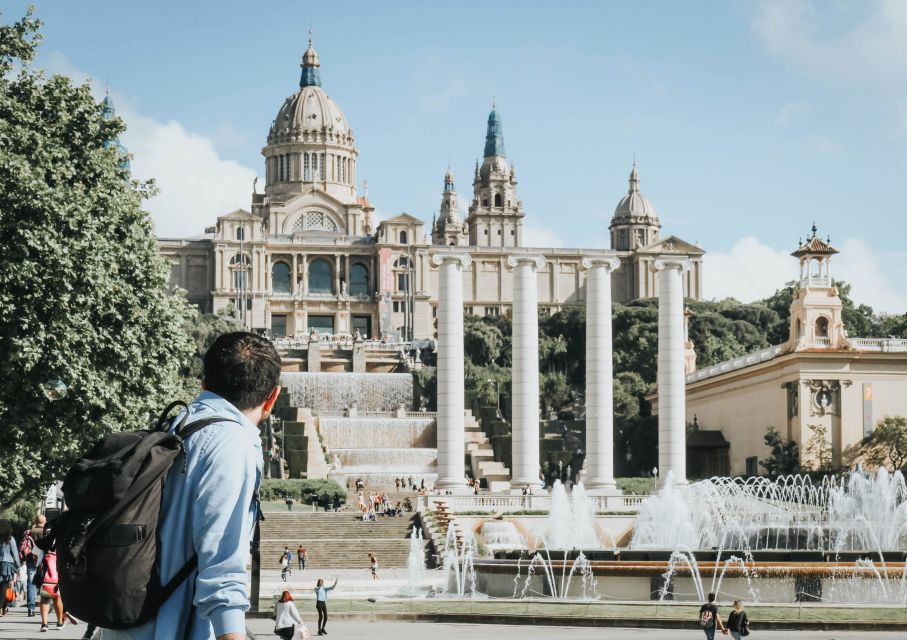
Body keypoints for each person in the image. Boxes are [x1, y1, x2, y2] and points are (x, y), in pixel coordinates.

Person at [99, 331, 281, 640]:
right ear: (272, 398)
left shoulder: (176, 425)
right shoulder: (233, 443)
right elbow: (223, 567)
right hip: (173, 630)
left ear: (204, 383)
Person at [37, 547, 65, 631]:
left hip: (46, 575)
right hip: (58, 573)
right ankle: (59, 623)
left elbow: (35, 555)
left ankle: (44, 624)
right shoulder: (62, 540)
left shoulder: (44, 541)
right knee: (57, 598)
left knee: (45, 598)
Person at [0, 521, 19, 617]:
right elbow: (15, 554)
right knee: (4, 587)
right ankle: (1, 608)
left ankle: (3, 608)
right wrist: (17, 567)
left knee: (1, 588)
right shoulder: (11, 539)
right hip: (7, 564)